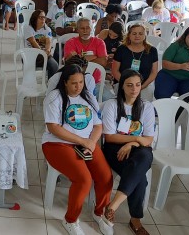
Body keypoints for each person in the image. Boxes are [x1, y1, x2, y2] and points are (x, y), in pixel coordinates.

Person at [42, 64, 113, 235]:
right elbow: (53, 128)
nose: (78, 86)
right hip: (57, 144)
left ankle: (99, 213)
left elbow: (97, 125)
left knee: (105, 177)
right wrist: (82, 140)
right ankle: (70, 220)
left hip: (86, 142)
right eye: (74, 83)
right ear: (65, 82)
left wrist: (91, 143)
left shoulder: (88, 95)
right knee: (84, 180)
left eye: (81, 82)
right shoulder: (55, 97)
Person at [102, 69, 156, 235]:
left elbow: (148, 140)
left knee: (144, 156)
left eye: (138, 85)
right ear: (122, 87)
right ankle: (135, 220)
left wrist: (133, 143)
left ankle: (112, 206)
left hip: (137, 150)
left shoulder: (146, 107)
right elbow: (110, 137)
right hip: (114, 150)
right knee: (140, 178)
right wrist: (135, 140)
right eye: (130, 85)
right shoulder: (112, 105)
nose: (134, 89)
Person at [112, 24, 159, 100]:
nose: (137, 36)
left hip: (144, 85)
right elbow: (115, 71)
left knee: (144, 107)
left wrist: (142, 86)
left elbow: (154, 72)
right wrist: (127, 84)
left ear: (145, 36)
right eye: (134, 34)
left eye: (140, 34)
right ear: (129, 35)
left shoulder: (152, 50)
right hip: (123, 83)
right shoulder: (121, 49)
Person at [63, 18, 108, 83]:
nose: (85, 31)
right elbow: (71, 62)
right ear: (77, 30)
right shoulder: (70, 43)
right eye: (82, 28)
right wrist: (94, 57)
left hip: (96, 81)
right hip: (76, 81)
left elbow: (103, 62)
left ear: (91, 29)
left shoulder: (99, 42)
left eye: (88, 28)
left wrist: (80, 57)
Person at [24, 10, 58, 78]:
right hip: (30, 54)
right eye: (40, 17)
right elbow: (33, 42)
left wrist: (48, 50)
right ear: (35, 18)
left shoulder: (47, 29)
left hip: (44, 54)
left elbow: (48, 42)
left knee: (54, 65)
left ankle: (50, 84)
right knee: (50, 63)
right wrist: (43, 53)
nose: (43, 19)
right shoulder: (28, 28)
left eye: (44, 17)